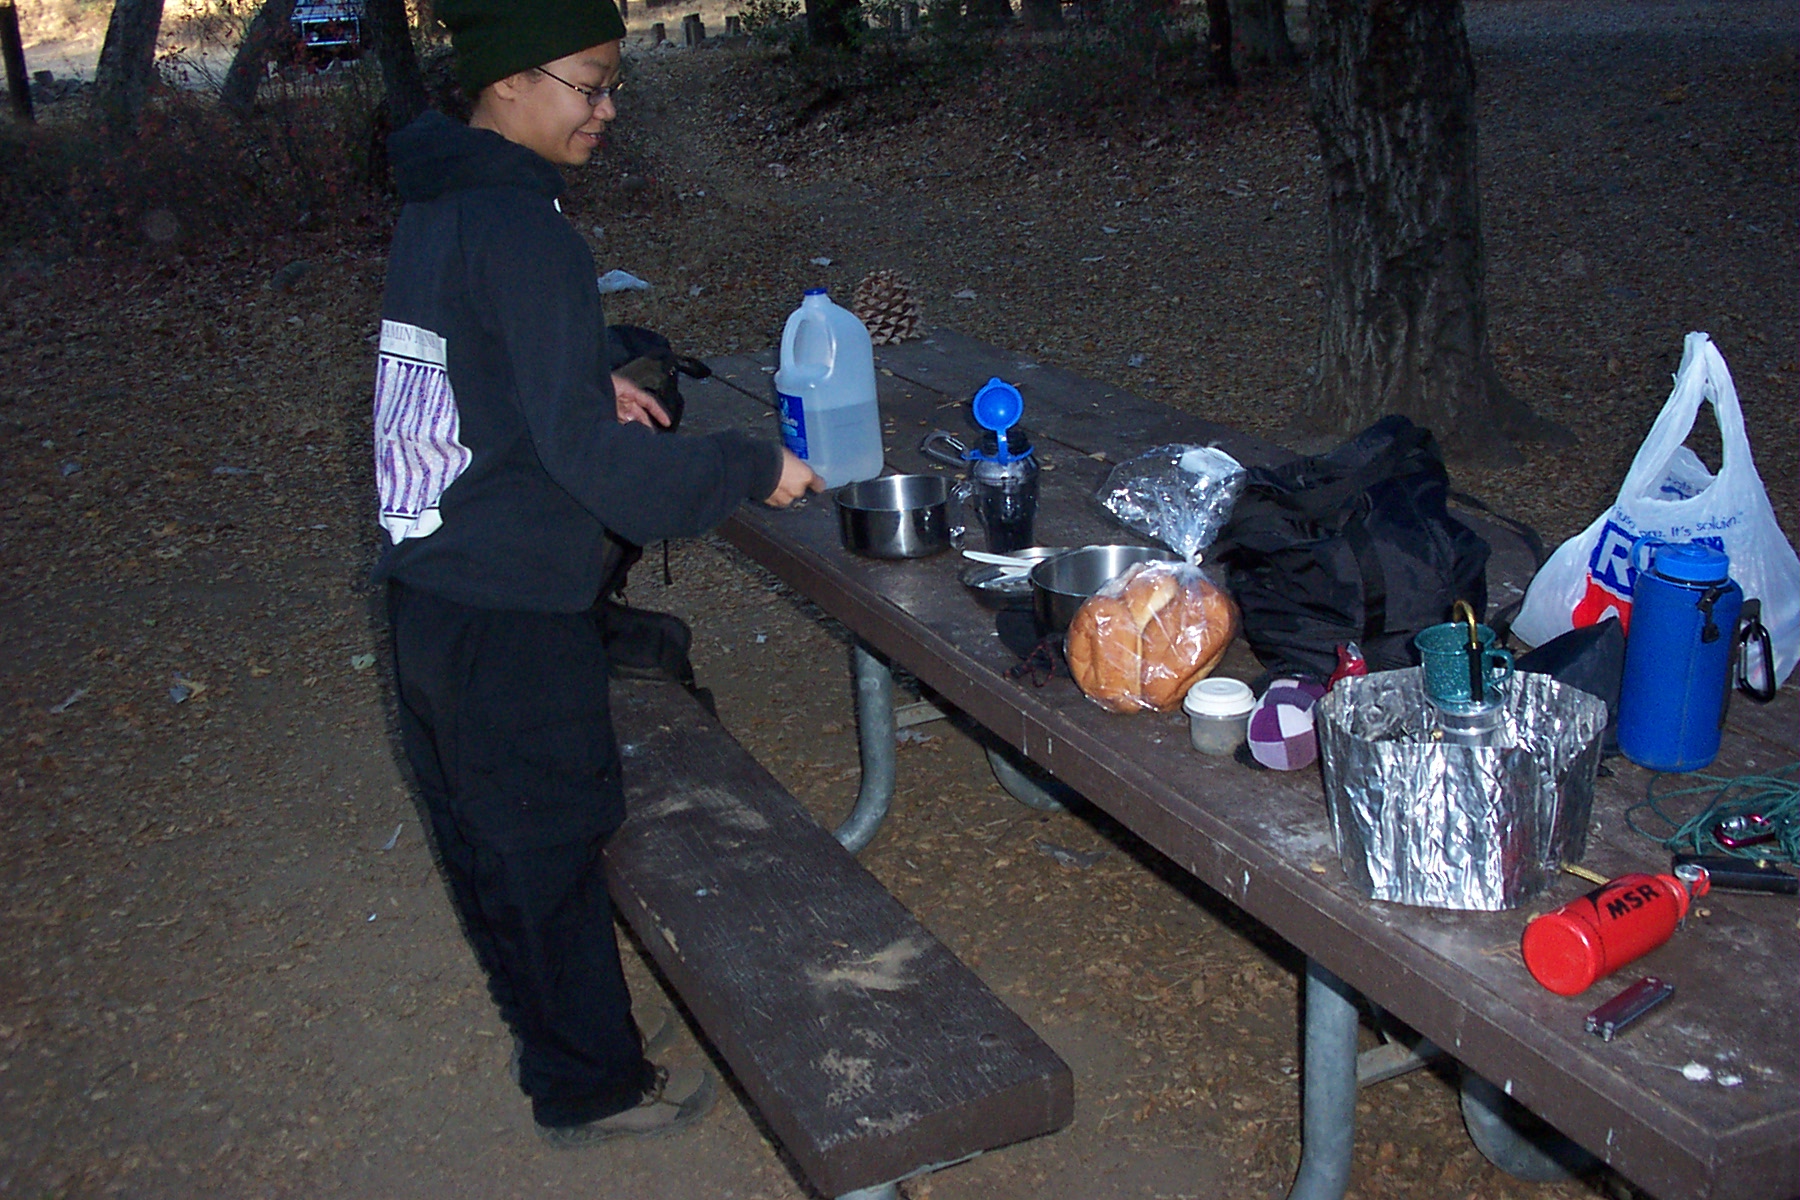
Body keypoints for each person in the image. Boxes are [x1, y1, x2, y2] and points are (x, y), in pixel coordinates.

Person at [371, 0, 824, 1147]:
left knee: (494, 843)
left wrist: (583, 379)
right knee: (544, 849)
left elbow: (467, 360)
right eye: (589, 83)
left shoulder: (443, 197)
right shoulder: (526, 229)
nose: (608, 108)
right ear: (509, 79)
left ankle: (572, 1035)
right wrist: (747, 464)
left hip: (432, 593)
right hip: (508, 606)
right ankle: (589, 1085)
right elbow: (604, 475)